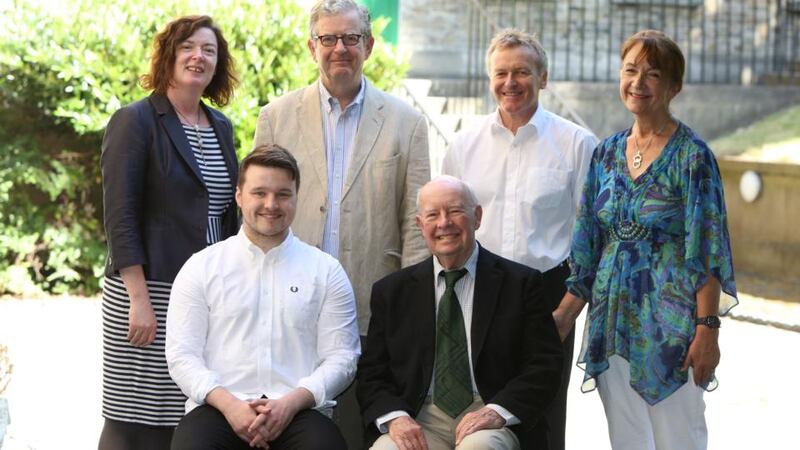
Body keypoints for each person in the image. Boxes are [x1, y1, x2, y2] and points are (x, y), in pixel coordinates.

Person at [253, 1, 430, 445]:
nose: (340, 49)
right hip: (290, 302)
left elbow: (416, 221)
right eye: (328, 39)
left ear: (369, 46)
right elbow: (258, 215)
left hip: (373, 303)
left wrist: (411, 299)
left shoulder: (407, 123)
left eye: (351, 38)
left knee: (356, 430)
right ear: (312, 47)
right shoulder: (276, 117)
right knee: (289, 430)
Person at [552, 30, 738, 450]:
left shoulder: (693, 157)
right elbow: (588, 245)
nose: (638, 83)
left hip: (672, 330)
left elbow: (708, 250)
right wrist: (564, 315)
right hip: (611, 322)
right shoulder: (606, 153)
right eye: (630, 70)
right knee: (627, 440)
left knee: (678, 439)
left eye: (652, 74)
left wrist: (708, 330)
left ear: (674, 87)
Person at [441, 29, 597, 450]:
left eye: (522, 72)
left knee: (543, 424)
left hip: (548, 297)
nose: (510, 82)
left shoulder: (578, 144)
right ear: (490, 78)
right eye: (501, 73)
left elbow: (595, 235)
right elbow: (446, 228)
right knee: (475, 418)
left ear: (543, 78)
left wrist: (567, 312)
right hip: (477, 294)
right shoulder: (462, 145)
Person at [98, 15, 238, 449]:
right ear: (168, 56)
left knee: (184, 413)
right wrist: (137, 300)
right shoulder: (135, 120)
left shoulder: (221, 127)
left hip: (206, 292)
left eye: (209, 50)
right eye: (188, 47)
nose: (198, 56)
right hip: (148, 288)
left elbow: (225, 214)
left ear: (218, 64)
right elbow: (119, 216)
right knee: (134, 416)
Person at [166, 145, 360, 450]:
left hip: (300, 410)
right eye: (260, 193)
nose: (271, 204)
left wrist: (291, 404)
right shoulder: (201, 267)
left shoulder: (326, 271)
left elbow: (343, 358)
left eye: (283, 194)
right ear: (239, 195)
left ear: (297, 197)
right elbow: (181, 357)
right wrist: (230, 406)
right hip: (218, 407)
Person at [357, 175, 564, 450]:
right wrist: (395, 419)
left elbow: (544, 365)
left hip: (490, 414)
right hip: (420, 419)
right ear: (420, 225)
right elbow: (372, 374)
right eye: (432, 215)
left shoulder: (521, 284)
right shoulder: (392, 292)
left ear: (476, 217)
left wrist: (497, 412)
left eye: (455, 211)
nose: (444, 223)